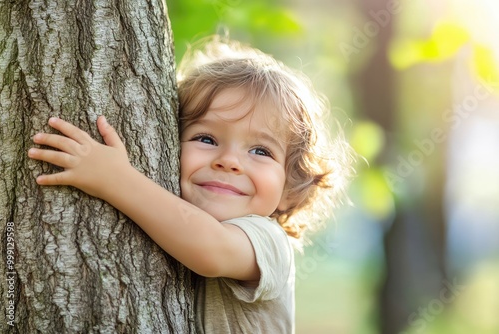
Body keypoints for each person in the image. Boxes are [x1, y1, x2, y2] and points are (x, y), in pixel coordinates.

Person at [28, 36, 354, 333]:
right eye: (206, 138)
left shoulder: (268, 241)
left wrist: (116, 179)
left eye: (260, 150)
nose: (229, 161)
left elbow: (209, 249)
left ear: (289, 188)